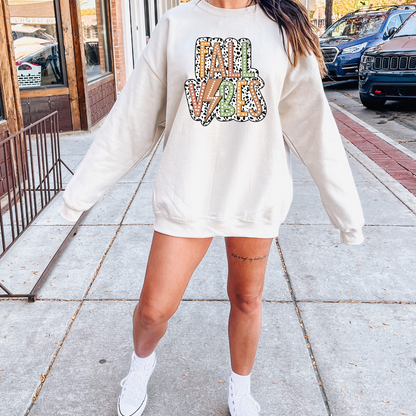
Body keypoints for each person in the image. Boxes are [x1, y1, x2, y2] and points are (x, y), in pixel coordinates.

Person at [59, 0, 366, 414]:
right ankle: (140, 366)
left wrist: (346, 214)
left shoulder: (283, 28)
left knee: (246, 299)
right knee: (153, 311)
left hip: (254, 193)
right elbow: (132, 119)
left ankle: (241, 386)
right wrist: (80, 194)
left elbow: (315, 127)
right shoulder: (177, 24)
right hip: (187, 192)